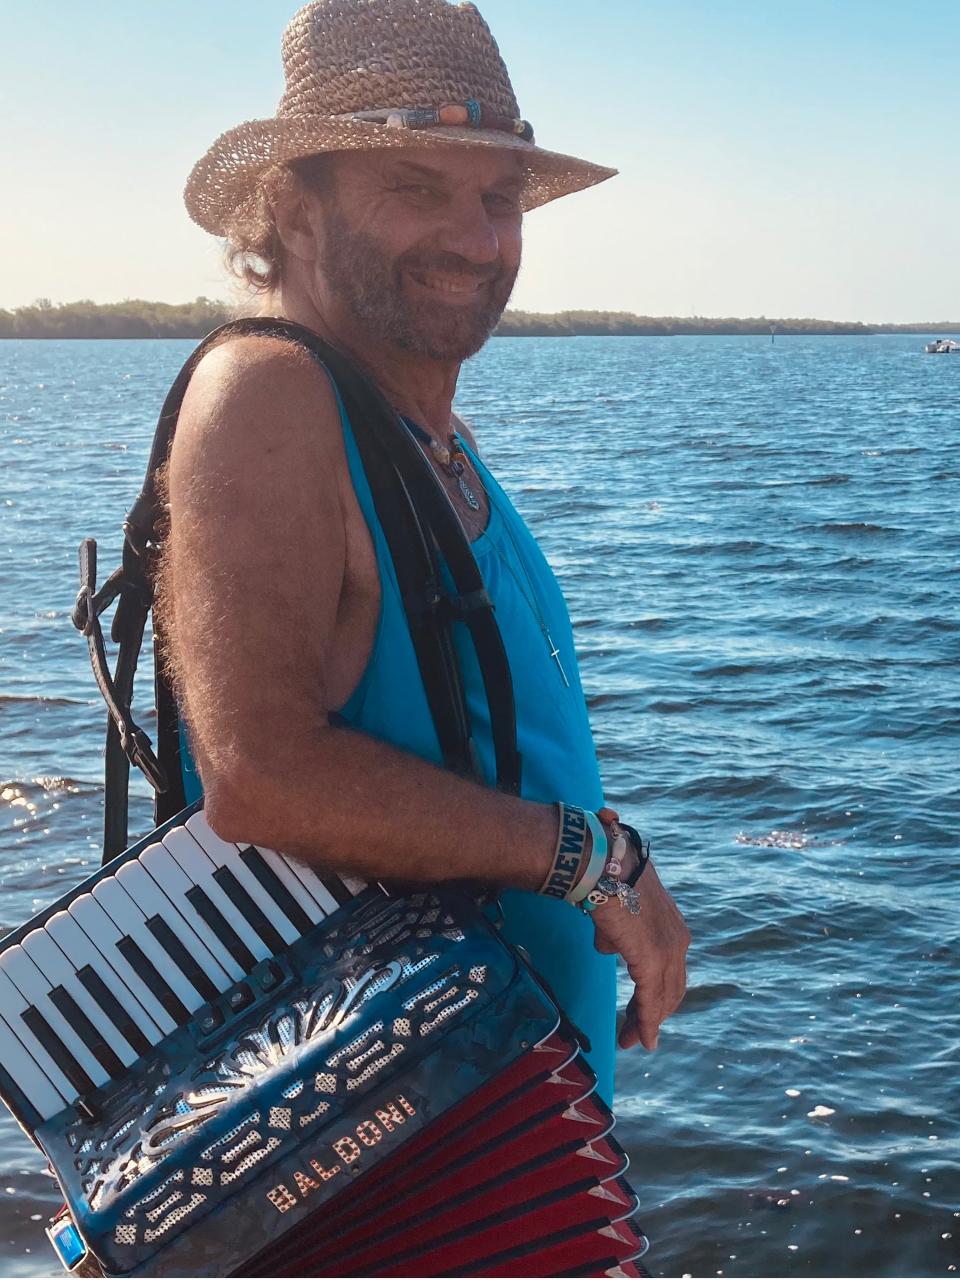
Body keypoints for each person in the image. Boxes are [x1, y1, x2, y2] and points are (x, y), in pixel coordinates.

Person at [164, 0, 690, 1106]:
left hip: (500, 1124)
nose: (477, 237)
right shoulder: (270, 390)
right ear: (292, 209)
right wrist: (586, 856)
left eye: (500, 199)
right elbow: (259, 775)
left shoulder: (416, 429)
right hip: (380, 1142)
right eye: (416, 189)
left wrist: (609, 862)